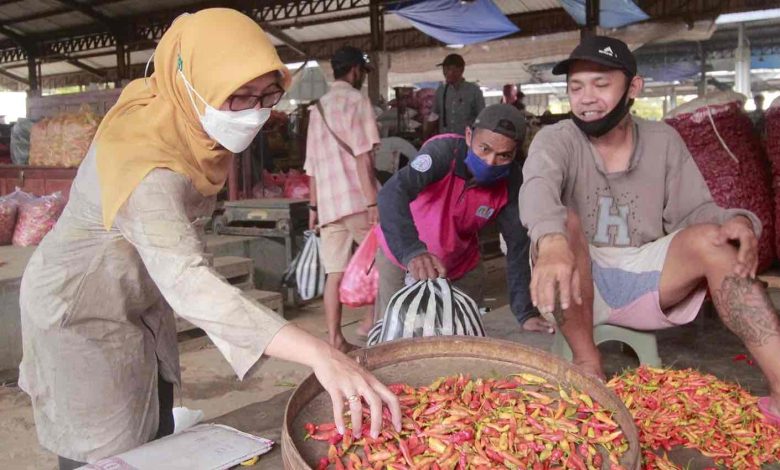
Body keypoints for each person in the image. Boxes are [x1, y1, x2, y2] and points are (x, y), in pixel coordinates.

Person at [18, 10, 400, 469]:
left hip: (136, 297)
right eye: (238, 97)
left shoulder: (182, 119)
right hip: (80, 313)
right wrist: (321, 352)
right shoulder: (146, 163)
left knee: (151, 428)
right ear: (192, 83)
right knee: (104, 447)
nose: (255, 111)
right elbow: (187, 281)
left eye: (267, 94)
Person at [519, 35, 780, 422]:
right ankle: (588, 362)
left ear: (633, 87)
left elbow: (697, 210)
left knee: (716, 239)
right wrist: (552, 240)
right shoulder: (556, 139)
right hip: (576, 274)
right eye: (576, 87)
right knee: (563, 222)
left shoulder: (662, 139)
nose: (586, 98)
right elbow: (537, 187)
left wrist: (736, 221)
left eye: (601, 85)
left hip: (647, 275)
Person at [376, 104, 551, 333]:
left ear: (515, 154)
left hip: (459, 266)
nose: (490, 162)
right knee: (399, 334)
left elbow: (518, 245)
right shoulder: (443, 154)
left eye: (503, 156)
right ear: (469, 136)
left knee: (461, 336)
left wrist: (525, 311)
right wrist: (412, 251)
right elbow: (392, 193)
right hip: (403, 258)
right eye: (484, 149)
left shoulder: (512, 183)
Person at [305, 46, 381, 352]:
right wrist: (373, 202)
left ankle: (335, 338)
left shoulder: (317, 108)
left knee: (334, 272)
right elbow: (363, 157)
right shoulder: (356, 101)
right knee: (381, 261)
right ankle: (370, 322)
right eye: (361, 72)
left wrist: (313, 207)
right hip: (357, 200)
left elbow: (311, 166)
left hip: (328, 205)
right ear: (354, 71)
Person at [425, 53, 485, 137]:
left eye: (449, 68)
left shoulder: (474, 91)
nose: (445, 72)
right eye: (444, 69)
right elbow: (434, 115)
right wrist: (425, 136)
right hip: (446, 141)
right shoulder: (441, 91)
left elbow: (482, 118)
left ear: (461, 70)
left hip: (466, 141)